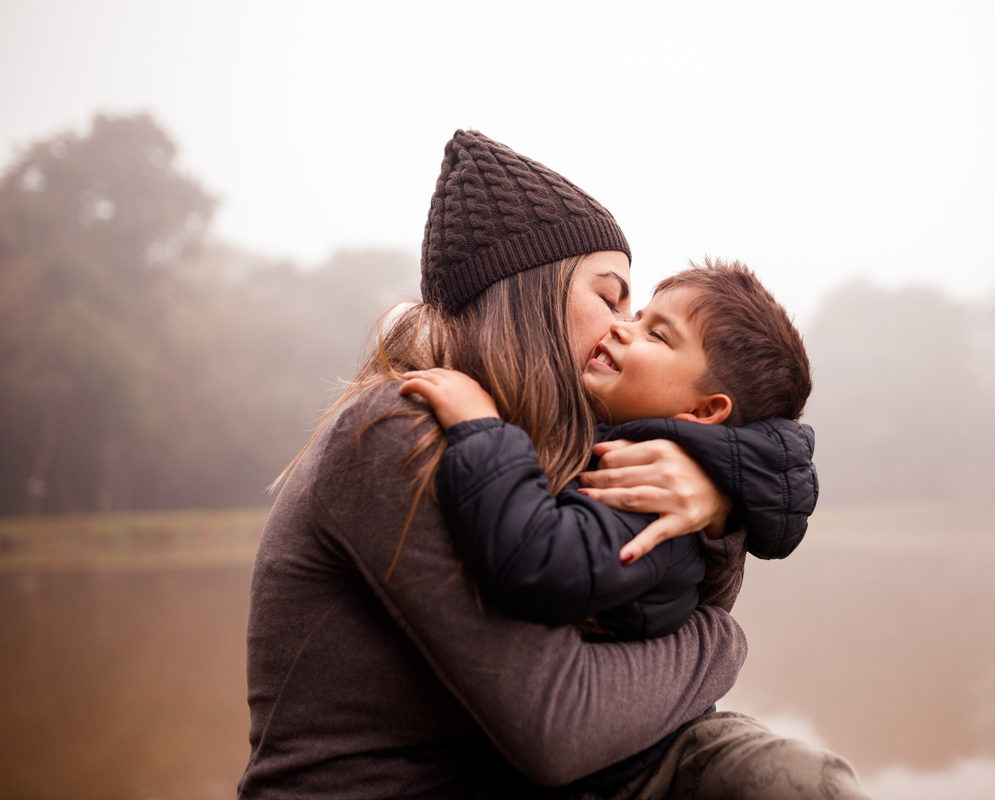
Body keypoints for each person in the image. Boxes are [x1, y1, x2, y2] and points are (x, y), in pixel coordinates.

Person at [239, 129, 868, 799]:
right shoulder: (402, 429)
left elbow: (653, 602)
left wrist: (712, 499)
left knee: (800, 781)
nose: (621, 325)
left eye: (643, 319)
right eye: (612, 297)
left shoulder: (539, 438)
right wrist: (721, 642)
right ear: (532, 293)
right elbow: (561, 727)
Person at [400, 259, 817, 643]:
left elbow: (540, 563)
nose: (620, 327)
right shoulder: (617, 447)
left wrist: (481, 429)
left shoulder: (649, 498)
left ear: (705, 410)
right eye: (637, 318)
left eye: (656, 334)